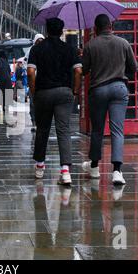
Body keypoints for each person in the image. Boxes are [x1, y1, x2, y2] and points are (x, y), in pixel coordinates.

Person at [81, 14, 138, 185]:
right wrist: (121, 73)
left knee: (97, 130)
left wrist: (82, 55)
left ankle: (95, 167)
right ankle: (117, 172)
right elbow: (134, 67)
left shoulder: (90, 45)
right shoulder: (123, 43)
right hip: (119, 88)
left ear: (96, 29)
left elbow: (83, 70)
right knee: (117, 131)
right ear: (111, 26)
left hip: (98, 90)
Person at [27, 18, 82, 185]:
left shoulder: (37, 49)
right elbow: (78, 71)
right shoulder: (70, 49)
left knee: (43, 129)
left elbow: (30, 72)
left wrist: (33, 91)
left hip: (43, 92)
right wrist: (75, 91)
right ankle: (65, 172)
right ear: (61, 31)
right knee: (63, 130)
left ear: (47, 30)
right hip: (64, 92)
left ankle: (39, 167)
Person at [26, 34, 45, 132]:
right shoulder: (31, 51)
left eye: (42, 41)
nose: (40, 43)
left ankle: (41, 122)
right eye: (38, 41)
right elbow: (29, 69)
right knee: (33, 104)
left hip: (44, 81)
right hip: (34, 80)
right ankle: (34, 122)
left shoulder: (47, 50)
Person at [0, 50, 13, 119]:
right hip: (8, 81)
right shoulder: (6, 62)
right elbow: (9, 72)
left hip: (1, 81)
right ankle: (6, 109)